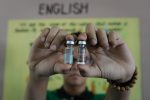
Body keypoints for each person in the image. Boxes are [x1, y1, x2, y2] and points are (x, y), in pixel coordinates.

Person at [25, 24, 136, 100]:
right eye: (71, 59)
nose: (75, 66)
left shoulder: (102, 98)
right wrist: (37, 76)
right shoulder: (46, 97)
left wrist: (124, 79)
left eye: (82, 59)